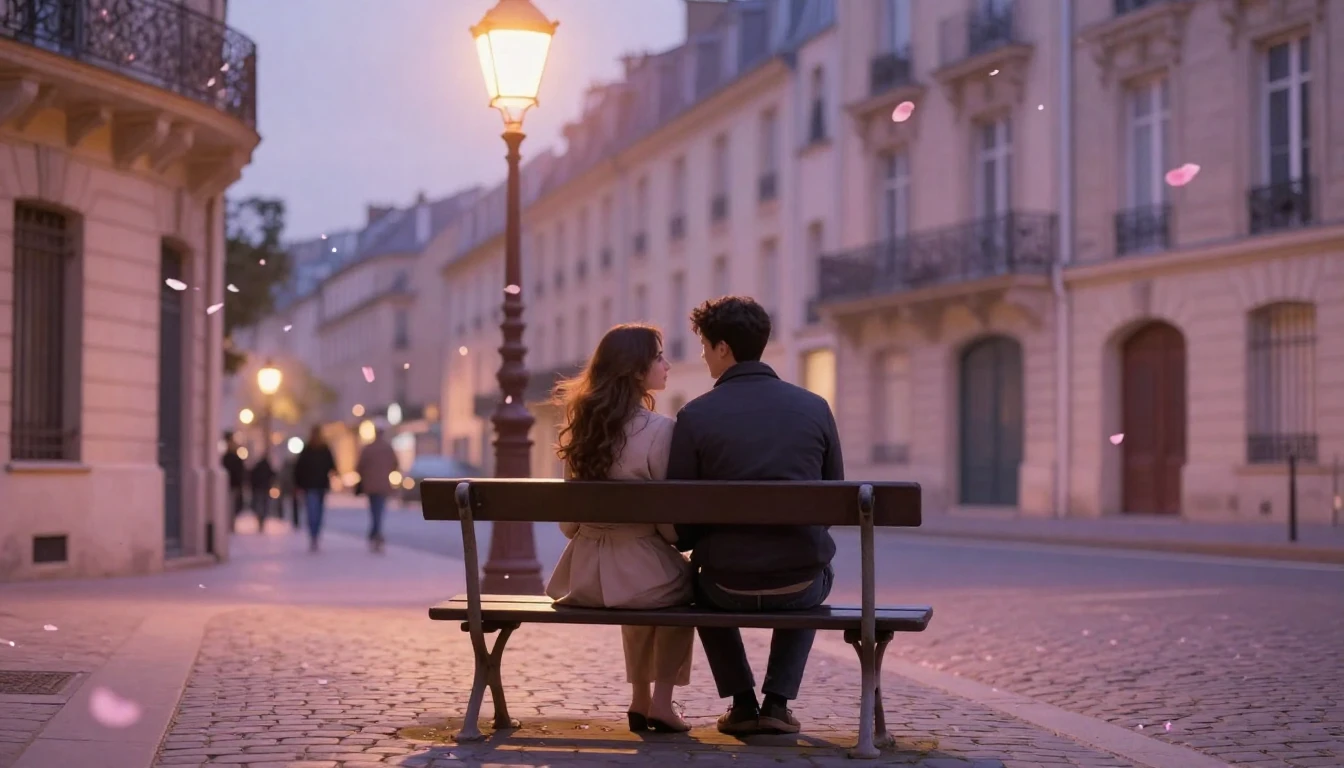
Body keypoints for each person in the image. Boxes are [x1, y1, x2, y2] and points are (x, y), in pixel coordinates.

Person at [667, 296, 843, 736]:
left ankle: (743, 703)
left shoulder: (695, 415)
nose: (703, 356)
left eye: (705, 346)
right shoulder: (815, 407)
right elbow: (834, 498)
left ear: (723, 348)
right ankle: (777, 704)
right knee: (812, 565)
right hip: (800, 585)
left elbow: (681, 524)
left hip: (724, 586)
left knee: (696, 583)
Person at [544, 324, 694, 733]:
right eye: (658, 357)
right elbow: (668, 528)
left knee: (643, 584)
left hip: (580, 579)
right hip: (637, 571)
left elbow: (569, 526)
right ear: (635, 370)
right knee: (677, 587)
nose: (666, 364)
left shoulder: (580, 427)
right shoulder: (661, 430)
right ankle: (660, 702)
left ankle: (639, 699)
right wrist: (669, 544)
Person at [354, 424, 399, 553]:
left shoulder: (368, 448)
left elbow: (359, 466)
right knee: (379, 510)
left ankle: (375, 533)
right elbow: (395, 464)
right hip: (383, 485)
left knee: (374, 510)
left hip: (370, 485)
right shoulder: (387, 448)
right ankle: (376, 533)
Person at [293, 425, 337, 552]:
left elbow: (331, 465)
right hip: (311, 485)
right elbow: (299, 468)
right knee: (314, 511)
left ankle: (315, 534)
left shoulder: (322, 449)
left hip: (319, 485)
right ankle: (314, 535)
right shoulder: (309, 449)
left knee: (316, 512)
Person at [222, 433, 247, 530]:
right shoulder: (229, 457)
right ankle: (229, 524)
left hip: (232, 485)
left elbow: (240, 473)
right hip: (229, 485)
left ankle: (230, 524)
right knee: (229, 506)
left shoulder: (233, 457)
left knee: (231, 505)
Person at [249, 452, 276, 522]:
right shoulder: (267, 466)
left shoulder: (258, 466)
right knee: (264, 503)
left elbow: (252, 476)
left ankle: (260, 517)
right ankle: (262, 517)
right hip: (265, 487)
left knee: (259, 503)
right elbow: (272, 475)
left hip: (259, 488)